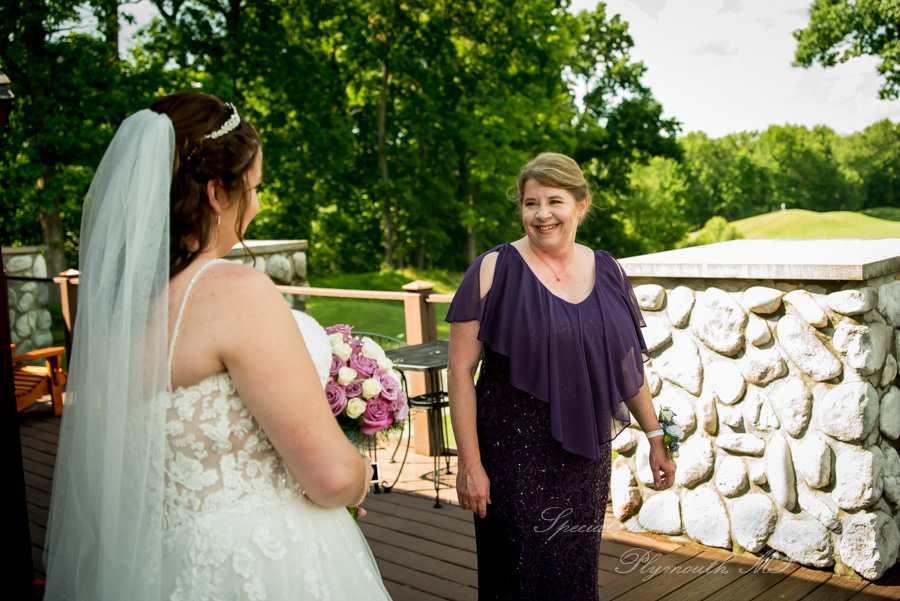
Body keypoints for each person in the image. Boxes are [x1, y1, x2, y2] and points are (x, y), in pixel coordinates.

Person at [43, 93, 392, 601]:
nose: (255, 204)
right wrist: (359, 475)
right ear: (215, 192)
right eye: (253, 188)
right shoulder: (233, 291)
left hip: (162, 567)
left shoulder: (119, 316)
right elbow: (333, 478)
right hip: (262, 563)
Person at [446, 152, 677, 600]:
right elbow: (458, 371)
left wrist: (655, 436)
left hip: (584, 459)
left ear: (581, 205)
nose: (543, 214)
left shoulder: (608, 269)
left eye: (555, 201)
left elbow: (626, 364)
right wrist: (470, 464)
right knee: (517, 577)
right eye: (531, 203)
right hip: (510, 457)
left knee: (575, 573)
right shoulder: (493, 269)